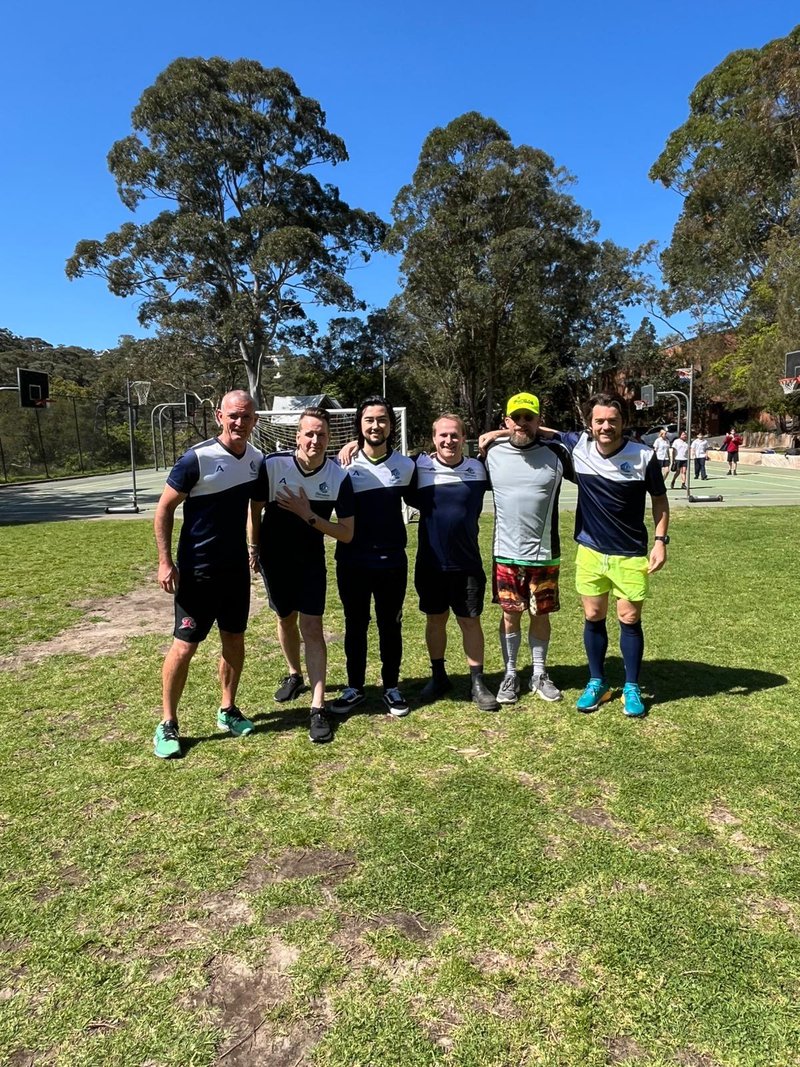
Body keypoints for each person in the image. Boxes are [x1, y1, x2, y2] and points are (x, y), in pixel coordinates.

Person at [153, 390, 266, 759]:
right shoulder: (196, 458)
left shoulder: (256, 460)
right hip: (197, 573)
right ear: (220, 416)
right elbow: (164, 510)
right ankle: (168, 722)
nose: (239, 422)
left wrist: (253, 547)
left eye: (246, 416)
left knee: (234, 641)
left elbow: (255, 508)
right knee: (185, 646)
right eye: (233, 415)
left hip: (234, 571)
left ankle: (228, 709)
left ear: (254, 419)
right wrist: (165, 561)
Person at [555, 393, 669, 717]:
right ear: (589, 424)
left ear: (623, 422)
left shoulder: (643, 456)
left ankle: (631, 686)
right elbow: (539, 432)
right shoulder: (578, 447)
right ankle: (597, 682)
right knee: (593, 616)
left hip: (630, 553)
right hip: (590, 550)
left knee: (629, 619)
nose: (606, 426)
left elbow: (660, 501)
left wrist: (660, 541)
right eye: (599, 421)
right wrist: (498, 434)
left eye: (612, 420)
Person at [249, 408, 355, 744]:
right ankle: (294, 674)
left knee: (312, 627)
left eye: (321, 434)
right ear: (297, 436)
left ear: (329, 438)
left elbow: (346, 533)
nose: (314, 440)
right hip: (274, 561)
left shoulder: (339, 477)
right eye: (308, 433)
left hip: (310, 563)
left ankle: (317, 706)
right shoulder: (273, 465)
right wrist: (253, 547)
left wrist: (307, 514)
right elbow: (253, 508)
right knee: (285, 618)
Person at [481, 392, 574, 706]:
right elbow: (449, 458)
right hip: (506, 554)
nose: (522, 423)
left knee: (540, 614)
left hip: (545, 555)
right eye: (515, 417)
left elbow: (586, 442)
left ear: (538, 421)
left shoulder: (558, 454)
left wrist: (548, 433)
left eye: (528, 417)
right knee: (510, 615)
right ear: (506, 420)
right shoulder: (491, 453)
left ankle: (538, 673)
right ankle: (510, 672)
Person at [331, 397, 417, 718]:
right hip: (352, 562)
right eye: (369, 420)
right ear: (359, 425)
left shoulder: (406, 467)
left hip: (392, 563)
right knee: (355, 625)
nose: (375, 426)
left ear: (391, 425)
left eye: (382, 420)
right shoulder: (344, 464)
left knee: (389, 625)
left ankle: (391, 687)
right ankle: (355, 686)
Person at [412, 414, 498, 711]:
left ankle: (477, 681)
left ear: (464, 438)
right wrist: (351, 447)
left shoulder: (479, 469)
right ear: (433, 439)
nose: (449, 441)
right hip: (431, 563)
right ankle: (439, 677)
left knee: (469, 621)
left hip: (468, 564)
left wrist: (496, 431)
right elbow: (382, 458)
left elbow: (515, 441)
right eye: (442, 436)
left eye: (454, 435)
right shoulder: (418, 467)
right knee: (435, 620)